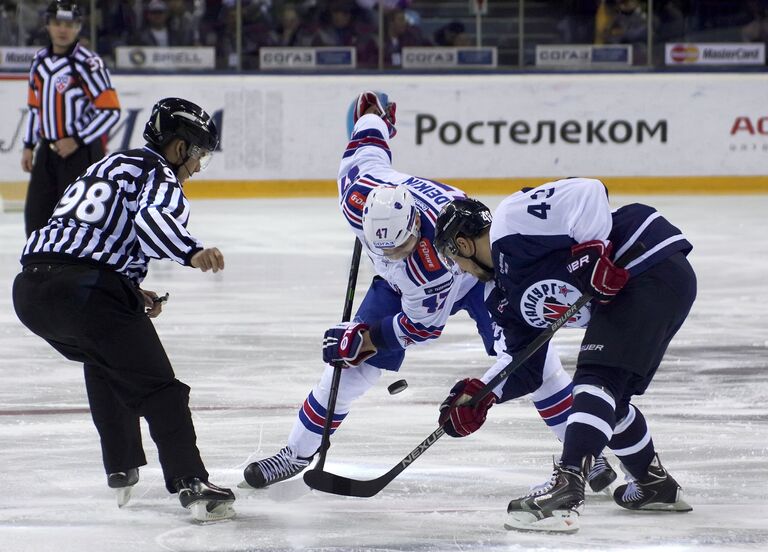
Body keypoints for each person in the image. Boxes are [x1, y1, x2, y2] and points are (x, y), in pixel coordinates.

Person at [240, 92, 613, 491]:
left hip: (480, 273)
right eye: (384, 249)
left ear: (416, 225)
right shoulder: (357, 192)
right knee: (349, 370)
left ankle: (584, 455)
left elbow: (421, 328)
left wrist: (365, 337)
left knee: (532, 359)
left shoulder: (429, 270)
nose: (394, 255)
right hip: (401, 287)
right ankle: (296, 452)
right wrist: (375, 117)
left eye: (402, 247)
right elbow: (367, 147)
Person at [12, 97, 235, 522]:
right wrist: (192, 252)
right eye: (199, 154)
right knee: (161, 390)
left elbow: (88, 234)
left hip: (31, 291)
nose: (199, 167)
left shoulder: (105, 167)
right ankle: (191, 481)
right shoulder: (158, 172)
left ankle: (120, 464)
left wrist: (129, 290)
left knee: (103, 358)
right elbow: (152, 221)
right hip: (87, 291)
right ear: (177, 147)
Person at [433, 178, 696, 533]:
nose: (459, 270)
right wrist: (482, 394)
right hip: (648, 287)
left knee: (597, 380)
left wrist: (596, 251)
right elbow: (528, 365)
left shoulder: (511, 222)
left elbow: (588, 191)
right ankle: (653, 484)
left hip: (645, 259)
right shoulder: (500, 296)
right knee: (607, 399)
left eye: (453, 259)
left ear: (462, 245)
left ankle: (566, 489)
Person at [21, 1, 120, 237]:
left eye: (69, 24)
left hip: (81, 153)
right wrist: (28, 145)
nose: (62, 29)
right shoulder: (39, 61)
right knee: (36, 217)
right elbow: (35, 108)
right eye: (57, 23)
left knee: (78, 220)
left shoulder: (88, 63)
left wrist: (76, 139)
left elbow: (110, 110)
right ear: (47, 25)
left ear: (78, 27)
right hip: (47, 152)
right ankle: (39, 267)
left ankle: (75, 271)